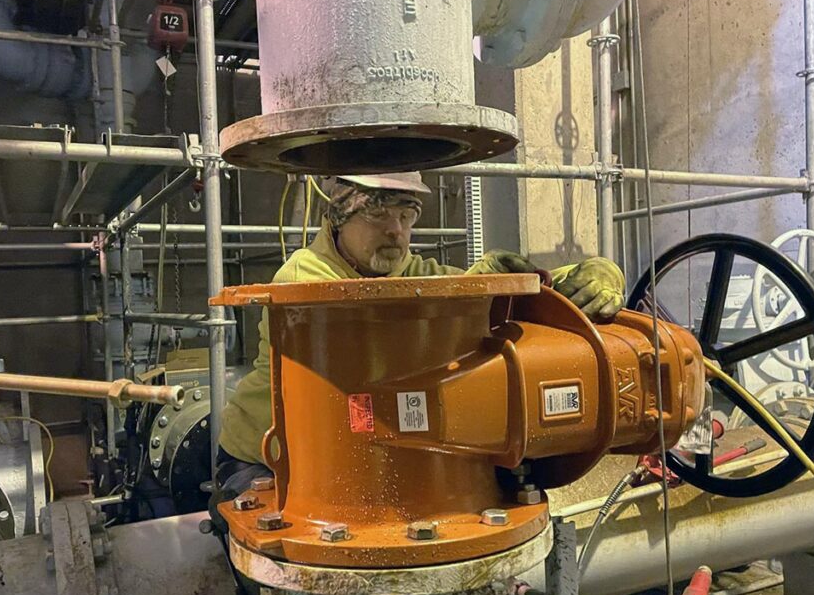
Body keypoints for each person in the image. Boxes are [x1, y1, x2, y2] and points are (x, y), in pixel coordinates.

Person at [214, 172, 626, 492]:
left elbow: (536, 284)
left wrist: (595, 271)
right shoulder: (303, 276)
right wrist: (471, 290)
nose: (395, 230)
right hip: (264, 457)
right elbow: (379, 327)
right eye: (377, 214)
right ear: (338, 218)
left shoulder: (414, 273)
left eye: (405, 215)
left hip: (351, 456)